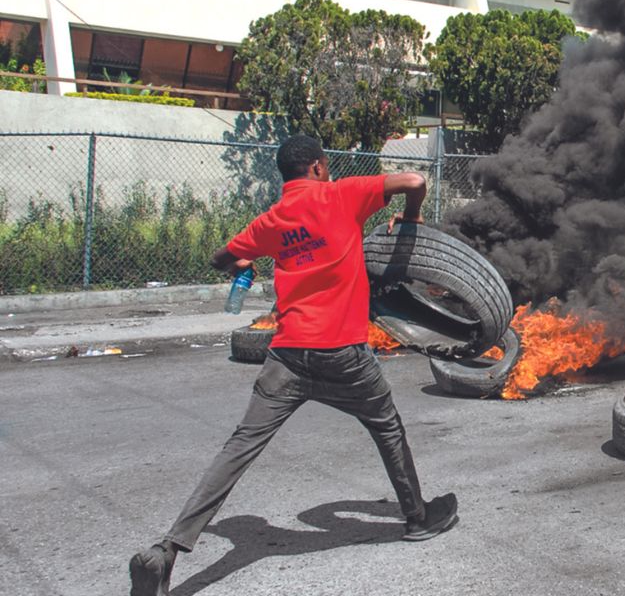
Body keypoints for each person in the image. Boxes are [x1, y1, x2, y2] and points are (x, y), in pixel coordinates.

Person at [129, 135, 457, 596]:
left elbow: (220, 257)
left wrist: (248, 261)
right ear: (320, 168)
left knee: (240, 447)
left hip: (286, 354)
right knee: (386, 426)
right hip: (343, 353)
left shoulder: (273, 219)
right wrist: (413, 215)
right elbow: (414, 178)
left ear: (286, 175)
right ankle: (418, 517)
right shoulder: (342, 194)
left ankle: (166, 551)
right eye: (326, 166)